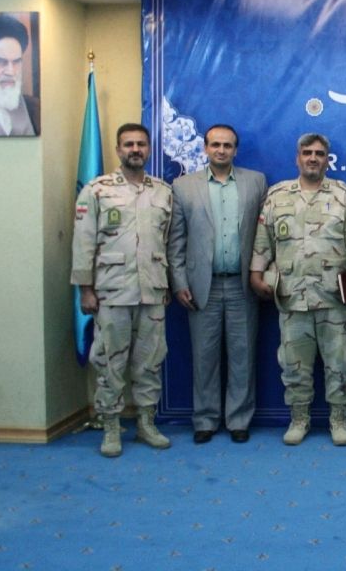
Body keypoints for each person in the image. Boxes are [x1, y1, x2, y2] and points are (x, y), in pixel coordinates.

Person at [249, 133, 346, 447]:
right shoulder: (277, 196)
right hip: (291, 296)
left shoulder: (343, 195)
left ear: (327, 160)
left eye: (319, 153)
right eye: (307, 153)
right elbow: (263, 238)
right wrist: (256, 274)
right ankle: (299, 418)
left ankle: (339, 419)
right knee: (293, 363)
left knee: (340, 362)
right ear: (297, 158)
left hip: (334, 296)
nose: (313, 158)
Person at [71, 123, 173, 457]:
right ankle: (111, 426)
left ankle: (146, 423)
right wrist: (85, 289)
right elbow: (83, 242)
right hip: (111, 292)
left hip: (152, 290)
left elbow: (167, 242)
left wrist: (168, 283)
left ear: (149, 149)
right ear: (118, 150)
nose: (135, 150)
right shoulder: (97, 190)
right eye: (128, 144)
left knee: (150, 361)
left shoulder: (162, 192)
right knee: (109, 362)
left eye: (141, 144)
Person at [168, 124, 267, 444]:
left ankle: (239, 419)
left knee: (242, 356)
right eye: (215, 145)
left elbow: (265, 235)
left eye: (227, 145)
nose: (221, 150)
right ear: (205, 148)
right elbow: (176, 240)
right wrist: (179, 281)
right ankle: (206, 419)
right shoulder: (184, 186)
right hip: (201, 286)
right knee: (204, 356)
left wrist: (263, 274)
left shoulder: (256, 182)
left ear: (235, 150)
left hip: (242, 285)